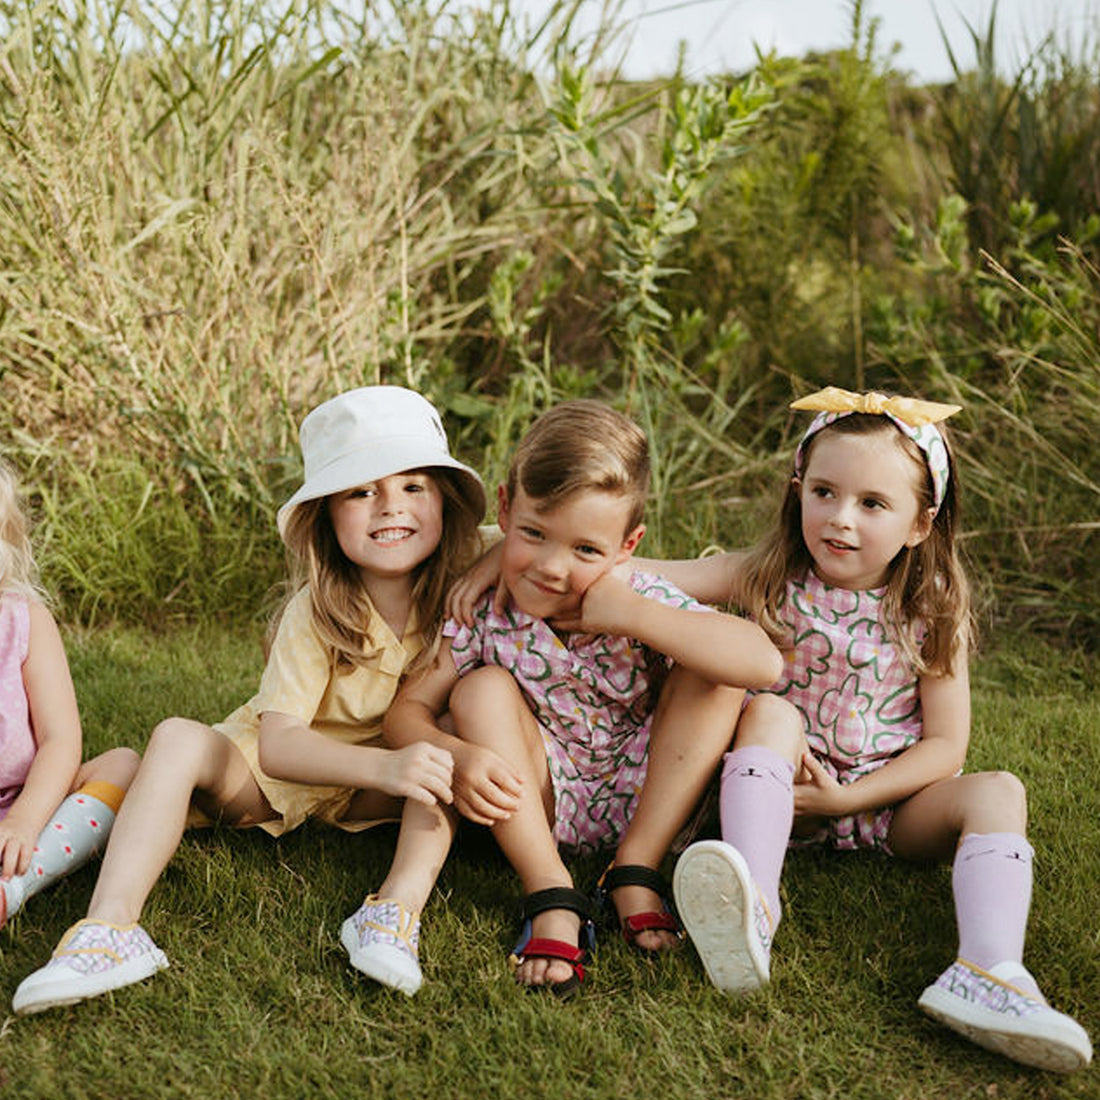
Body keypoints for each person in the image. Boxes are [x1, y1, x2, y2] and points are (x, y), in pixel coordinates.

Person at [657, 387, 1091, 1073]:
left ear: (921, 522)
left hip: (889, 809)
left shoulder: (931, 607)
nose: (840, 520)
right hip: (782, 796)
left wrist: (849, 801)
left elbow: (946, 747)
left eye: (872, 504)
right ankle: (753, 913)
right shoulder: (767, 575)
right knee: (771, 711)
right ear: (797, 486)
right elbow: (652, 576)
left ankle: (989, 968)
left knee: (999, 791)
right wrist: (521, 551)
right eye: (824, 492)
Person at [12, 386, 486, 1013]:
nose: (389, 507)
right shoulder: (314, 611)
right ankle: (110, 928)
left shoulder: (474, 565)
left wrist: (488, 564)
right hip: (278, 774)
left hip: (385, 783)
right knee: (177, 737)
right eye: (361, 491)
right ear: (326, 515)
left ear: (447, 504)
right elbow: (281, 745)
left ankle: (393, 911)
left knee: (446, 739)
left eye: (413, 486)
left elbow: (543, 544)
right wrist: (386, 767)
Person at [386, 399, 783, 998]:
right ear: (504, 510)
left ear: (629, 545)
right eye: (533, 535)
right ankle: (550, 891)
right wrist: (454, 753)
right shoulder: (483, 612)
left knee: (714, 670)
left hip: (653, 793)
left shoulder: (638, 596)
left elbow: (761, 663)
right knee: (481, 688)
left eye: (586, 550)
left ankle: (635, 868)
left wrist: (637, 615)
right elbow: (405, 713)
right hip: (539, 798)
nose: (550, 567)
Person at [0, 460, 139, 932]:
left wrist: (23, 820)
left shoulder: (23, 621)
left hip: (31, 803)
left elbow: (60, 739)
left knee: (121, 765)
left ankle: (14, 883)